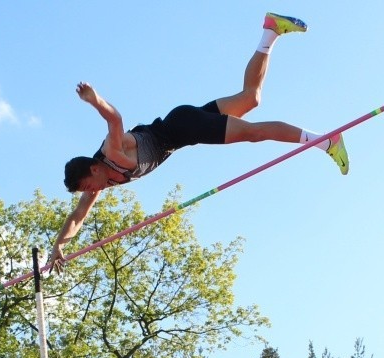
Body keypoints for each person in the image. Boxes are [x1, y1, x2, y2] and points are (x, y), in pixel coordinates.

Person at [49, 12, 349, 272]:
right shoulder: (101, 183)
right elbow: (77, 217)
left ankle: (326, 141)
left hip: (184, 126)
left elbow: (114, 120)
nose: (90, 192)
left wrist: (95, 99)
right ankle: (271, 30)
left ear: (93, 169)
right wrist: (59, 246)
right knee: (250, 98)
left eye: (87, 186)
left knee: (253, 133)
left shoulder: (112, 150)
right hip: (182, 128)